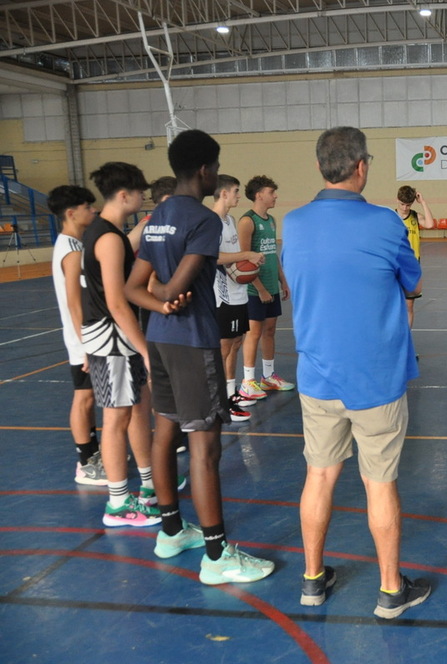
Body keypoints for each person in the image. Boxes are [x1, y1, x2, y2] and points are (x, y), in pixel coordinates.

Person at [281, 127, 430, 616]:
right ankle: (390, 589)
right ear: (361, 166)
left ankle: (312, 580)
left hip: (318, 376)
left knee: (319, 476)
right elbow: (413, 281)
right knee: (379, 483)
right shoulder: (385, 223)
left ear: (322, 166)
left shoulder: (295, 223)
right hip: (376, 381)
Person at [125, 129, 275, 585]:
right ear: (207, 169)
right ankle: (216, 556)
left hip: (160, 338)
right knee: (205, 447)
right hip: (192, 341)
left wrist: (160, 306)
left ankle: (171, 531)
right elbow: (174, 288)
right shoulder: (204, 220)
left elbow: (135, 287)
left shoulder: (159, 215)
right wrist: (170, 298)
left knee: (165, 431)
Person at [81, 162, 160, 527]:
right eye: (140, 192)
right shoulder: (109, 238)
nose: (144, 198)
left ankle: (139, 490)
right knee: (115, 419)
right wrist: (144, 348)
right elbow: (116, 302)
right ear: (124, 195)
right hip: (113, 339)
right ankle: (117, 504)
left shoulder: (104, 232)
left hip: (107, 338)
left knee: (127, 412)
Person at [49, 185, 104, 485]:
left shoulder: (73, 244)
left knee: (90, 395)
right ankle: (85, 462)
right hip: (80, 340)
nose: (93, 211)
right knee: (84, 398)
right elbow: (74, 301)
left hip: (83, 337)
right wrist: (86, 346)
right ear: (71, 213)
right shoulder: (70, 250)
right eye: (88, 207)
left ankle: (93, 453)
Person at [212, 174, 265, 422]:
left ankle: (231, 394)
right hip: (223, 295)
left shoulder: (230, 220)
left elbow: (235, 258)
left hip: (239, 292)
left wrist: (250, 261)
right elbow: (214, 257)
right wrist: (246, 254)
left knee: (235, 344)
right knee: (223, 348)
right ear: (223, 193)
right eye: (235, 191)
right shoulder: (210, 222)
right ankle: (218, 401)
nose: (237, 195)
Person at [238, 175, 294, 401]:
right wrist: (259, 287)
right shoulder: (247, 221)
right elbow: (243, 260)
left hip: (271, 285)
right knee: (254, 333)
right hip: (254, 289)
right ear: (259, 194)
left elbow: (272, 254)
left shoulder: (270, 220)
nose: (275, 196)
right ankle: (248, 381)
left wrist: (283, 280)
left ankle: (268, 376)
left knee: (270, 331)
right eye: (272, 192)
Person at [395, 185, 435, 330]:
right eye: (402, 204)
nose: (405, 208)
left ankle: (406, 342)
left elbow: (430, 224)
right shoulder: (391, 217)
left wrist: (423, 202)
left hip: (411, 266)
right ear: (397, 200)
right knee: (392, 306)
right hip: (394, 265)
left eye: (408, 205)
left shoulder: (415, 216)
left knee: (409, 305)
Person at [128, 176, 176, 253]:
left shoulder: (171, 223)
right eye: (181, 199)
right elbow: (122, 252)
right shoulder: (145, 226)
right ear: (167, 199)